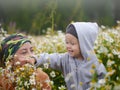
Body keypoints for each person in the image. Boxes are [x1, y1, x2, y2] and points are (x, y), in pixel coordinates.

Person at [34, 22, 107, 90]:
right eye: (66, 42)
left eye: (72, 43)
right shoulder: (66, 59)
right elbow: (51, 58)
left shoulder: (96, 65)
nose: (68, 46)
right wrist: (36, 59)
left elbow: (104, 83)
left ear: (85, 44)